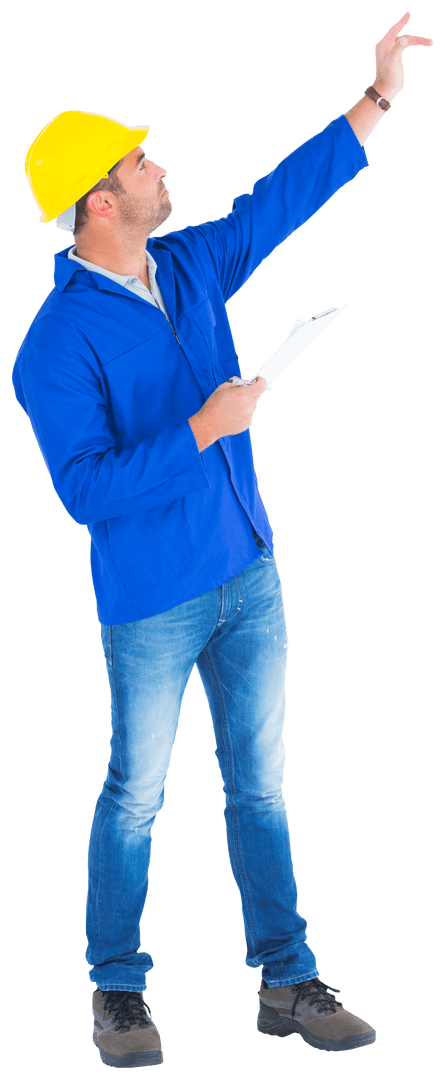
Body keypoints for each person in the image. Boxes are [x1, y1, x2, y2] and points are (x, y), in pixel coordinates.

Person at [12, 12, 433, 1069]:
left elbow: (278, 200)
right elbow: (84, 490)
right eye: (140, 161)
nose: (161, 170)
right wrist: (203, 428)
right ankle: (116, 990)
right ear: (98, 201)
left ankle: (286, 980)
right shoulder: (53, 345)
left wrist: (374, 96)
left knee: (260, 781)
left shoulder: (190, 262)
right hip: (153, 599)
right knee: (136, 794)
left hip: (249, 573)